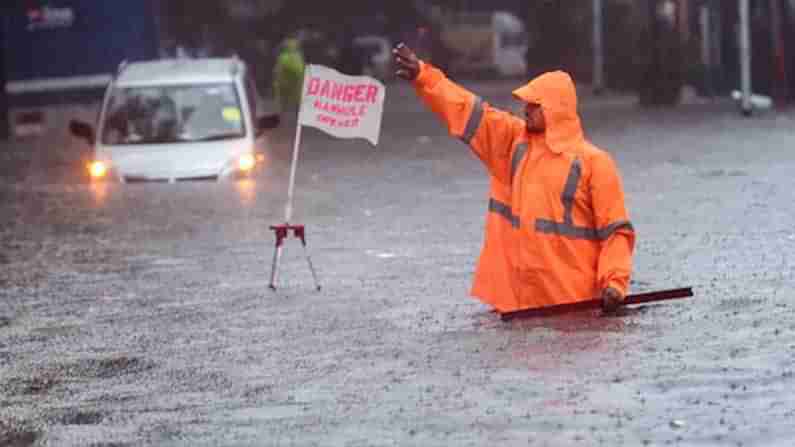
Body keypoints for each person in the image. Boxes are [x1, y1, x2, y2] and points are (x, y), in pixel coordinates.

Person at [393, 43, 635, 314]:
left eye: (535, 105)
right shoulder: (513, 143)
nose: (526, 109)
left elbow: (616, 232)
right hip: (518, 308)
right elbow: (468, 111)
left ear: (556, 109)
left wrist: (614, 284)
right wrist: (423, 76)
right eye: (527, 104)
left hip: (573, 308)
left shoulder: (595, 163)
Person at [273, 38, 306, 114]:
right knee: (297, 104)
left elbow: (278, 72)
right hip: (297, 86)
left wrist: (277, 83)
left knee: (285, 105)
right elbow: (302, 71)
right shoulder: (298, 56)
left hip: (285, 86)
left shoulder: (283, 57)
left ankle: (283, 115)